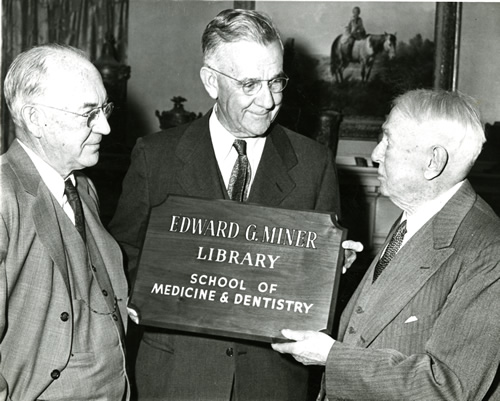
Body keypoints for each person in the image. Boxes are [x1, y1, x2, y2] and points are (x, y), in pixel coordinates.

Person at [109, 8, 362, 401]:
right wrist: (149, 294)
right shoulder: (155, 156)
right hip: (176, 378)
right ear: (211, 81)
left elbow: (315, 296)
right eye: (249, 85)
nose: (268, 100)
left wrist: (332, 269)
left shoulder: (314, 164)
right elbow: (122, 256)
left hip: (271, 384)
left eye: (276, 81)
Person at [272, 89, 500, 400]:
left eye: (388, 141)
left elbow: (446, 388)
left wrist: (331, 357)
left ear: (433, 161)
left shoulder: (488, 251)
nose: (377, 153)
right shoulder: (416, 215)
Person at [0, 44, 130, 400]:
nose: (105, 127)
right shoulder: (3, 195)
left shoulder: (82, 186)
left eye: (104, 109)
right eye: (89, 114)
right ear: (35, 119)